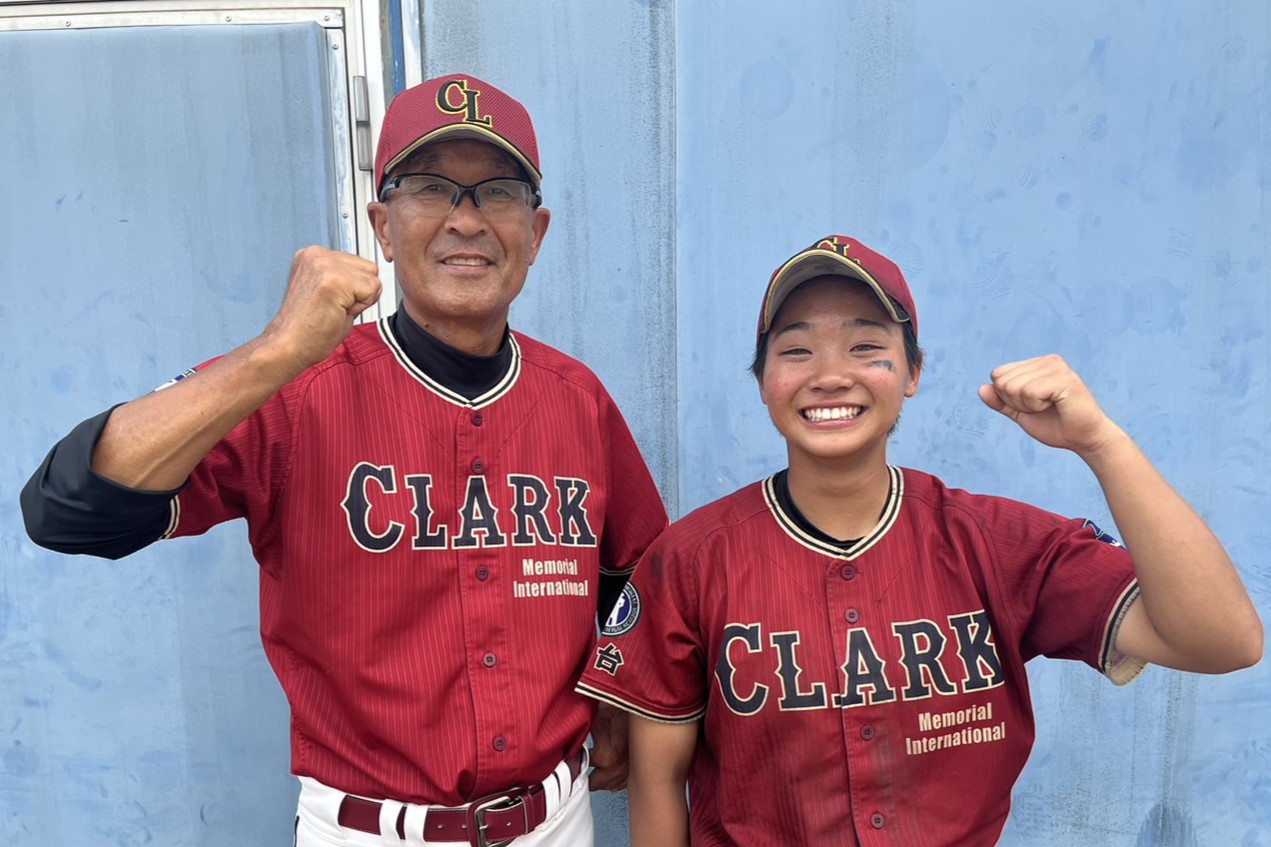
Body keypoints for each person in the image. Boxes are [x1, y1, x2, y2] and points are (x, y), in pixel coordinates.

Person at [21, 73, 668, 847]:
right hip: (367, 830)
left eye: (498, 192)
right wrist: (274, 350)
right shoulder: (293, 390)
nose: (466, 219)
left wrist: (619, 694)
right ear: (383, 228)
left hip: (553, 821)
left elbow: (638, 573)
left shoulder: (575, 398)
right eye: (430, 188)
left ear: (536, 232)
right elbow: (68, 509)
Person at [576, 234, 1263, 846]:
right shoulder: (692, 560)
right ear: (763, 382)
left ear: (911, 373)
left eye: (866, 347)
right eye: (796, 349)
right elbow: (658, 782)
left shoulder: (993, 543)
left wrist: (1100, 442)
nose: (830, 374)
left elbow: (1223, 641)